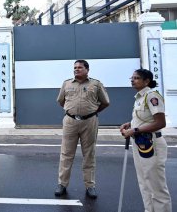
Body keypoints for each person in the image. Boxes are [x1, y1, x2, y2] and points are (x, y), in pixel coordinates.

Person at [54, 60, 110, 198]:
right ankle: (62, 184)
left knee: (89, 154)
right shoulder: (67, 83)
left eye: (80, 67)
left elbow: (105, 102)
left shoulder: (95, 84)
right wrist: (72, 112)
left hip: (89, 122)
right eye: (75, 68)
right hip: (70, 122)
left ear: (87, 69)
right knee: (66, 154)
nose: (76, 70)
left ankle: (90, 186)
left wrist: (91, 112)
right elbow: (60, 101)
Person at [120, 69, 172, 212]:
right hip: (140, 143)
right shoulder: (139, 98)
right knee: (144, 183)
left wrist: (135, 130)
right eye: (132, 77)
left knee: (156, 186)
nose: (132, 80)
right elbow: (145, 119)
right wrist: (130, 124)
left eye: (136, 78)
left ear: (146, 81)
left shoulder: (152, 96)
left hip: (152, 144)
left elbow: (160, 123)